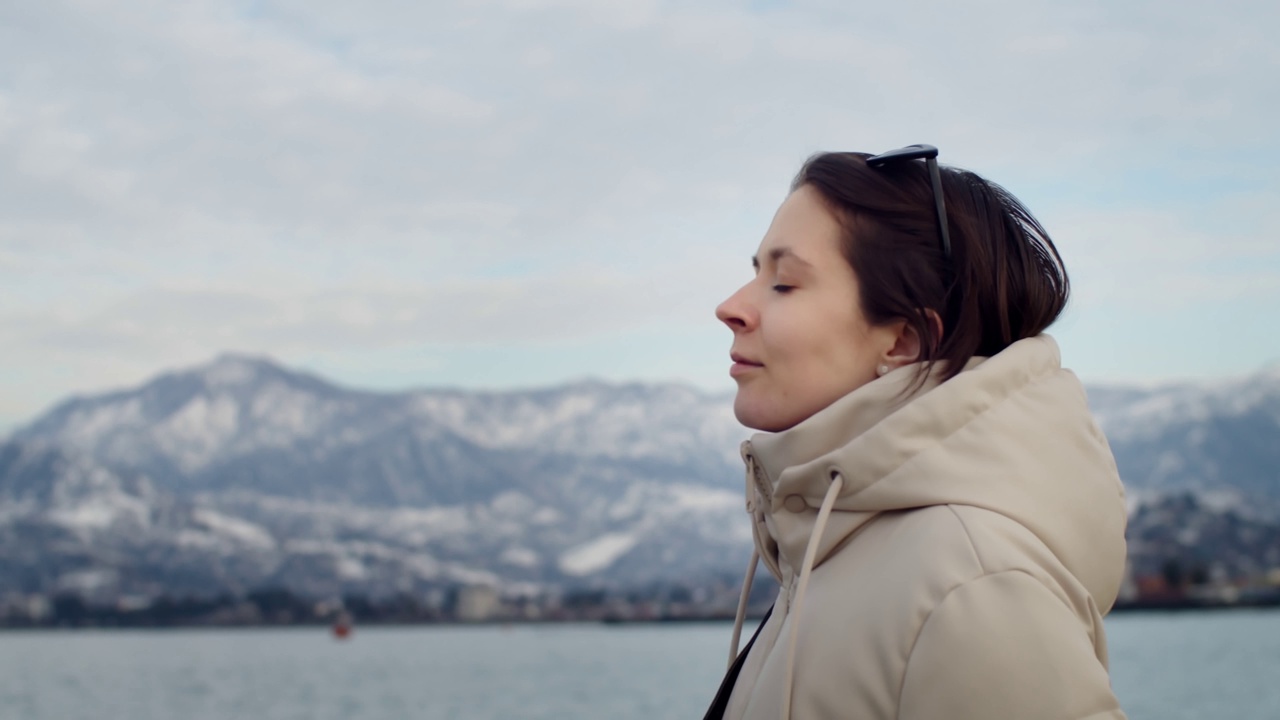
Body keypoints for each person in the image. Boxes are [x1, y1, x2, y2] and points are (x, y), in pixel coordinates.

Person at [703, 145, 1128, 719]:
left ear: (902, 342)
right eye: (756, 273)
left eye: (784, 283)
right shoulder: (832, 553)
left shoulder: (969, 584)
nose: (730, 307)